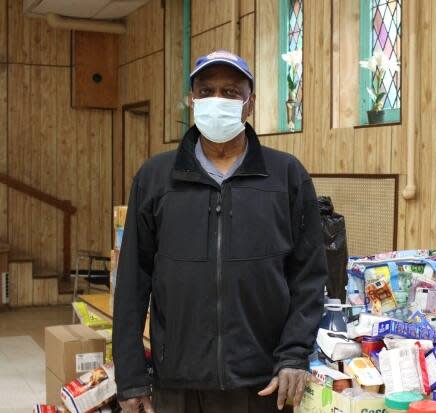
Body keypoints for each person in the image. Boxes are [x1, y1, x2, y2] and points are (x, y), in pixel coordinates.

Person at [112, 49, 328, 413]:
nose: (218, 100)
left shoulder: (286, 176)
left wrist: (293, 355)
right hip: (177, 383)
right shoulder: (155, 178)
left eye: (231, 92)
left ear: (250, 104)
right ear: (191, 100)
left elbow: (308, 277)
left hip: (262, 385)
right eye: (207, 90)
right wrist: (131, 376)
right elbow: (132, 283)